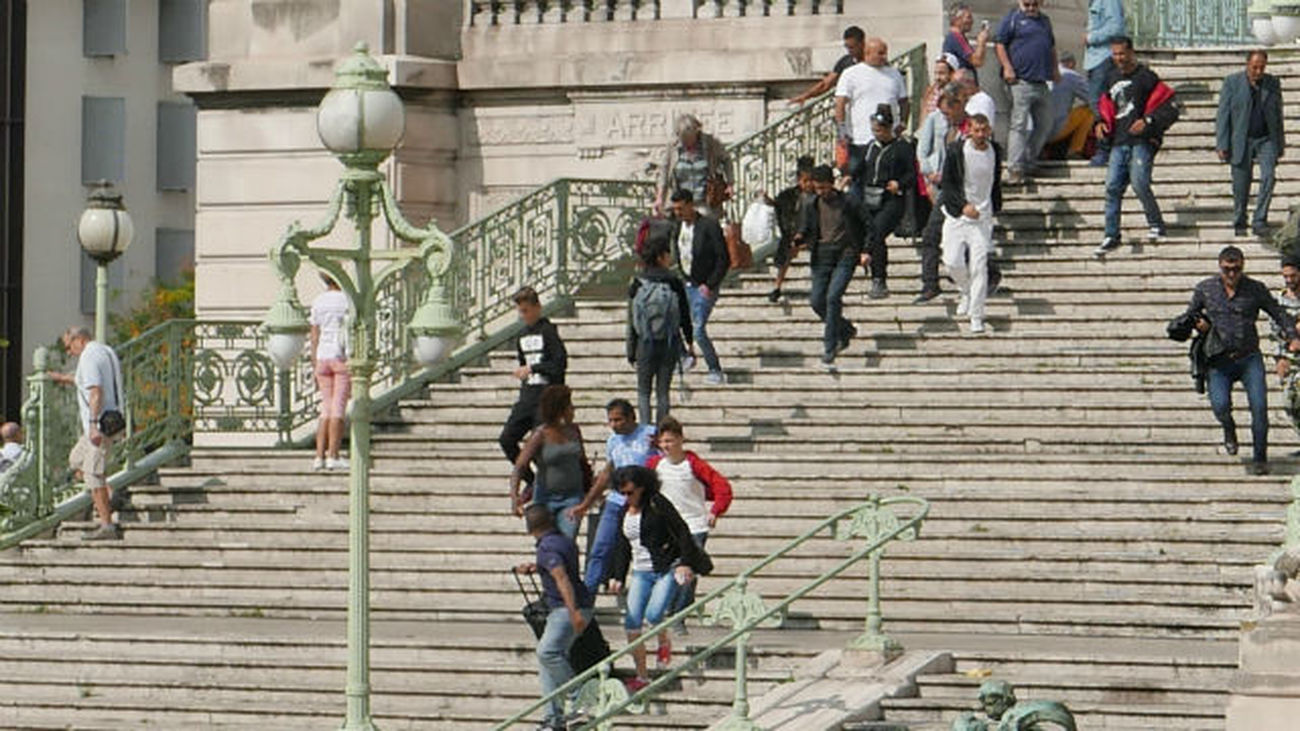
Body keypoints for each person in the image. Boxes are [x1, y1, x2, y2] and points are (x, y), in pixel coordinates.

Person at [1182, 246, 1299, 474]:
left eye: (1236, 269)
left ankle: (1259, 458)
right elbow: (1189, 316)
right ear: (1220, 267)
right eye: (1227, 270)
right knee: (1220, 406)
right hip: (1219, 361)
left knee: (1259, 407)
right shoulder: (1206, 289)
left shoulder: (1255, 289)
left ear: (1243, 266)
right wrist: (1198, 325)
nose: (1232, 274)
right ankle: (1228, 428)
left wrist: (1292, 336)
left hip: (1248, 358)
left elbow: (1278, 313)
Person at [607, 464, 713, 693]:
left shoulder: (657, 503)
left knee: (654, 614)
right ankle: (642, 676)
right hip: (640, 572)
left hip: (666, 566)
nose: (628, 497)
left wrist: (685, 562)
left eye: (631, 492)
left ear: (643, 488)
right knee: (632, 623)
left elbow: (682, 530)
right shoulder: (624, 512)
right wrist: (617, 575)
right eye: (622, 493)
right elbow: (623, 545)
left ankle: (663, 640)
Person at [1093, 36, 1178, 258]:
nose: (1118, 58)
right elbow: (1104, 107)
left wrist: (1149, 121)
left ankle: (1156, 224)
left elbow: (1170, 108)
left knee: (1140, 183)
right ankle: (1111, 234)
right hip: (1119, 142)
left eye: (1122, 53)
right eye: (1114, 54)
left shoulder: (1147, 77)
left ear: (1131, 52)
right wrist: (1099, 123)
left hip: (1142, 142)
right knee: (1112, 187)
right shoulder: (1110, 78)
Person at [648, 417, 732, 633]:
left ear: (681, 439)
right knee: (669, 573)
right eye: (662, 441)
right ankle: (668, 610)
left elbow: (722, 487)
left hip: (694, 526)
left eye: (670, 440)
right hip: (667, 529)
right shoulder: (654, 465)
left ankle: (678, 616)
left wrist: (715, 510)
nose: (666, 446)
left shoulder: (693, 464)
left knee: (687, 572)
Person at [515, 504, 594, 731]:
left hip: (565, 609)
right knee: (547, 664)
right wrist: (537, 567)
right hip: (572, 606)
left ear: (530, 526)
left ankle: (580, 696)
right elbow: (561, 569)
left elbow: (562, 579)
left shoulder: (547, 548)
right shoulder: (562, 541)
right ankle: (554, 719)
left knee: (546, 652)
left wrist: (573, 612)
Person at [569, 399, 660, 595]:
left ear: (631, 417)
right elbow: (606, 473)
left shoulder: (650, 434)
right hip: (616, 501)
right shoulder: (613, 441)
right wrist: (586, 503)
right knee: (600, 548)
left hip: (643, 501)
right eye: (610, 420)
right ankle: (587, 597)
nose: (614, 425)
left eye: (618, 420)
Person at [49, 327, 123, 541]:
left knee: (92, 474)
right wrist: (62, 377)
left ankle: (107, 525)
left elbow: (96, 391)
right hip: (111, 419)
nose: (69, 352)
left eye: (68, 346)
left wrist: (92, 425)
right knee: (76, 460)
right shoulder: (104, 351)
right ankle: (108, 494)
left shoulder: (89, 357)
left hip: (99, 425)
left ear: (79, 340)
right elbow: (87, 382)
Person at [796, 164, 868, 368]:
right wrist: (801, 237)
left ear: (832, 184)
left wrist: (865, 250)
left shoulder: (848, 202)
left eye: (825, 188)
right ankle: (845, 329)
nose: (822, 192)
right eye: (818, 188)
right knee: (817, 301)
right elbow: (807, 226)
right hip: (822, 255)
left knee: (833, 296)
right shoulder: (812, 204)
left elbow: (867, 225)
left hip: (845, 253)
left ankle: (830, 345)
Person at [499, 287, 568, 495]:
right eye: (521, 311)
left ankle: (550, 485)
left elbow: (559, 363)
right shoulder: (521, 336)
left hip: (546, 397)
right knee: (507, 439)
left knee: (541, 446)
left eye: (527, 310)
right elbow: (524, 363)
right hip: (528, 396)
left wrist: (534, 368)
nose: (524, 315)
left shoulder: (548, 331)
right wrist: (524, 373)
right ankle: (533, 479)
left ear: (537, 308)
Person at [940, 113, 1003, 335]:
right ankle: (965, 290)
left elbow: (995, 182)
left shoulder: (995, 150)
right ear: (969, 130)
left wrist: (994, 207)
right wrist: (962, 205)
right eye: (976, 130)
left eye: (984, 130)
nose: (980, 135)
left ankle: (977, 315)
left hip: (982, 219)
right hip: (957, 215)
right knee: (951, 261)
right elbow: (947, 184)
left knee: (979, 267)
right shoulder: (957, 150)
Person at [1216, 50, 1285, 238]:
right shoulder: (1232, 83)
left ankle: (1260, 219)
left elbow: (1278, 114)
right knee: (1241, 184)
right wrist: (1222, 143)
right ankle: (1240, 219)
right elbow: (1223, 114)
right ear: (1247, 65)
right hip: (1241, 139)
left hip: (1266, 139)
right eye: (1255, 67)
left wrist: (1280, 143)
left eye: (1262, 67)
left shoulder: (1272, 84)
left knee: (1269, 177)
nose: (1258, 71)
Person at [510, 385, 593, 540]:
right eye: (570, 406)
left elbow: (582, 460)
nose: (573, 410)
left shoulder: (574, 431)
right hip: (545, 497)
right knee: (548, 544)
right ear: (560, 409)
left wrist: (590, 486)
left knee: (567, 540)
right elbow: (520, 466)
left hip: (572, 497)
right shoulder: (540, 434)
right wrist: (515, 497)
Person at [627, 236, 693, 426]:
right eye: (667, 254)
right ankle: (662, 429)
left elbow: (631, 321)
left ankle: (646, 430)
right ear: (660, 257)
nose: (670, 258)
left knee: (643, 392)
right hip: (669, 343)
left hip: (644, 344)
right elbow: (685, 316)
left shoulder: (637, 282)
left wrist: (631, 350)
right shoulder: (673, 281)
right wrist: (688, 343)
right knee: (663, 391)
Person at [668, 189, 730, 385]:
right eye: (675, 209)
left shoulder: (708, 226)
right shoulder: (678, 227)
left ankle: (715, 369)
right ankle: (685, 356)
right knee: (672, 320)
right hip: (686, 283)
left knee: (698, 330)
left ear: (690, 205)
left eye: (680, 208)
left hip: (704, 285)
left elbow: (723, 258)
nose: (678, 212)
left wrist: (710, 284)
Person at [994, 0, 1060, 185]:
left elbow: (1051, 47)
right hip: (1020, 81)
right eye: (1027, 4)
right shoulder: (1012, 18)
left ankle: (1029, 160)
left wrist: (1055, 69)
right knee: (1019, 125)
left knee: (1046, 123)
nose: (1031, 8)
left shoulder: (1045, 21)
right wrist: (1007, 68)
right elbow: (1000, 44)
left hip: (1041, 81)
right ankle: (1014, 168)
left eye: (1034, 4)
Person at [834, 36, 909, 196]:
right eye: (880, 53)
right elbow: (840, 102)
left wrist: (902, 123)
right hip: (861, 139)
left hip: (888, 141)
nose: (884, 57)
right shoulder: (851, 73)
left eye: (885, 53)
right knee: (857, 181)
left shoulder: (894, 74)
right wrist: (842, 130)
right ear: (867, 53)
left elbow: (904, 101)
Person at [857, 105, 916, 300]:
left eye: (880, 130)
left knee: (878, 230)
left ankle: (878, 275)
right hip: (870, 197)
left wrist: (899, 183)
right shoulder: (869, 148)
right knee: (872, 233)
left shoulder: (902, 148)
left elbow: (912, 174)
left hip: (891, 199)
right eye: (875, 130)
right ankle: (875, 273)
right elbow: (861, 169)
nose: (877, 134)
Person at [654, 115, 732, 218]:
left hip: (704, 202)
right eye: (684, 139)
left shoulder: (710, 143)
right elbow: (664, 171)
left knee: (705, 229)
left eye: (689, 139)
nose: (687, 144)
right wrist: (659, 197)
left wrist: (730, 183)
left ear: (696, 132)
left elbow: (726, 159)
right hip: (682, 203)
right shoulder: (673, 147)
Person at [309, 274, 350, 471]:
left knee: (325, 408)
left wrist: (313, 360)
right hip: (340, 356)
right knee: (338, 408)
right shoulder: (346, 300)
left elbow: (314, 334)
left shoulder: (318, 301)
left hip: (322, 358)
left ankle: (318, 456)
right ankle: (333, 454)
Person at [768, 156, 816, 303]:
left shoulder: (818, 195)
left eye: (810, 180)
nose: (808, 184)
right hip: (794, 231)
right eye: (804, 181)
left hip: (813, 231)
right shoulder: (791, 195)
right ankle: (777, 286)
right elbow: (780, 206)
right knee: (786, 257)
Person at [1085, 0, 1126, 166]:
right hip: (1095, 60)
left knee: (1100, 105)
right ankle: (1105, 148)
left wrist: (1091, 37)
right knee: (1098, 104)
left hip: (1103, 58)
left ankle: (1105, 149)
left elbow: (1116, 27)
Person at [788, 26, 867, 106]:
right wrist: (805, 96)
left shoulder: (875, 61)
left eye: (852, 47)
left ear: (862, 44)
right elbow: (826, 84)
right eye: (847, 47)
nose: (849, 51)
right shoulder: (845, 62)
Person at [1044, 52, 1093, 159]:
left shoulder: (1045, 73)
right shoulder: (1071, 76)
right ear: (1071, 64)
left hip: (1037, 132)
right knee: (1089, 111)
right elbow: (1092, 98)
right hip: (1055, 130)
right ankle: (1075, 150)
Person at [1272, 258, 1300, 440]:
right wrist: (1280, 358)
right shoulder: (1279, 300)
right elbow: (1275, 332)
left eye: (1293, 276)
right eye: (1286, 276)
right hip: (1290, 356)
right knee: (1289, 403)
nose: (1289, 280)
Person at [943, 2, 991, 77]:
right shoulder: (957, 37)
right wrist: (981, 42)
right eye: (968, 17)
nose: (972, 21)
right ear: (957, 19)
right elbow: (977, 61)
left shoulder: (954, 37)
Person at [921, 54, 958, 120]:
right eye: (935, 73)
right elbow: (923, 115)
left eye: (942, 73)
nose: (937, 77)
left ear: (952, 74)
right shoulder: (930, 91)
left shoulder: (957, 94)